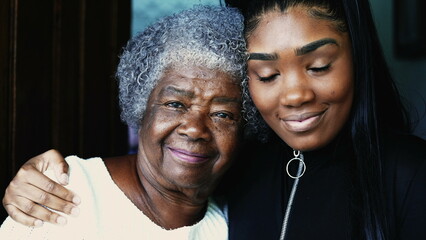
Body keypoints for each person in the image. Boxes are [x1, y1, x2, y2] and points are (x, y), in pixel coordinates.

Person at [3, 0, 426, 239]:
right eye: (266, 74)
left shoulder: (409, 174)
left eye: (318, 66)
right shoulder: (62, 197)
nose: (195, 129)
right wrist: (35, 179)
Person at [0, 5, 247, 239]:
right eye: (175, 104)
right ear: (142, 107)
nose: (194, 129)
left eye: (222, 114)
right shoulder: (62, 194)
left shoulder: (235, 222)